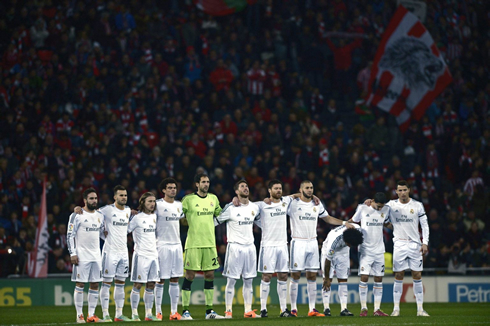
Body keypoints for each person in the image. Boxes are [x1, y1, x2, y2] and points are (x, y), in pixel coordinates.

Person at [288, 180, 354, 317]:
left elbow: (328, 218)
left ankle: (312, 309)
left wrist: (344, 222)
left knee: (312, 276)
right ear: (300, 190)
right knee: (295, 275)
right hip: (298, 242)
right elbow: (280, 200)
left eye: (311, 188)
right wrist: (295, 195)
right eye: (307, 188)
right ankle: (293, 309)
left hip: (312, 242)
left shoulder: (316, 204)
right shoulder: (292, 203)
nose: (310, 190)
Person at [368, 180, 430, 316]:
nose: (402, 193)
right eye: (400, 190)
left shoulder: (417, 205)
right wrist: (369, 203)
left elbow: (424, 225)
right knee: (398, 274)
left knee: (417, 274)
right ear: (396, 192)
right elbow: (378, 211)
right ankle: (396, 309)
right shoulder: (390, 205)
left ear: (409, 190)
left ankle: (420, 309)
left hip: (415, 244)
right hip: (400, 244)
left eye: (404, 190)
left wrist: (425, 242)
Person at [74, 185, 133, 322]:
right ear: (115, 197)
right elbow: (91, 212)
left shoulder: (128, 210)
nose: (123, 197)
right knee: (106, 283)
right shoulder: (106, 210)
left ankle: (119, 314)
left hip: (124, 252)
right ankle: (105, 313)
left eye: (125, 195)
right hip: (109, 251)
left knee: (121, 283)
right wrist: (78, 209)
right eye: (121, 195)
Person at [180, 173, 224, 320]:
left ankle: (209, 311)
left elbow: (220, 214)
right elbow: (179, 217)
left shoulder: (213, 198)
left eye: (208, 182)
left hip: (210, 243)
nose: (206, 184)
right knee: (190, 275)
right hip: (193, 243)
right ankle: (185, 311)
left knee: (210, 275)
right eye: (203, 182)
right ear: (196, 184)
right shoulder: (188, 200)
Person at [215, 180, 261, 318]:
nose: (245, 188)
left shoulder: (255, 207)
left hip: (250, 247)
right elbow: (215, 222)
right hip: (235, 247)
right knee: (231, 280)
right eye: (242, 187)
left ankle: (248, 311)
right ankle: (228, 311)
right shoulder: (230, 208)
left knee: (249, 280)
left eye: (246, 186)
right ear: (236, 191)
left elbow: (261, 221)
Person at [255, 179, 296, 318]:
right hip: (268, 246)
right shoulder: (261, 205)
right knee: (266, 276)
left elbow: (296, 195)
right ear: (269, 190)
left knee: (283, 276)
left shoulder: (285, 201)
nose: (278, 190)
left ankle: (283, 309)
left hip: (283, 245)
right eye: (276, 188)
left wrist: (312, 196)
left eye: (280, 188)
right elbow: (247, 207)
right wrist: (235, 200)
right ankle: (263, 309)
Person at [348, 192, 390, 317]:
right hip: (366, 249)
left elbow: (387, 223)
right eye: (377, 206)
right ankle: (363, 308)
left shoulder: (386, 209)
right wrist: (343, 225)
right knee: (364, 278)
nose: (379, 209)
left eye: (381, 207)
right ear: (372, 201)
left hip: (379, 249)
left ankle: (377, 309)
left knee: (378, 279)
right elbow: (353, 221)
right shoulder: (362, 208)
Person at [67, 188, 104, 323]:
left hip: (96, 256)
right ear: (85, 200)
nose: (94, 201)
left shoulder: (100, 215)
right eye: (91, 198)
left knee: (95, 284)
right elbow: (69, 235)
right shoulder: (77, 215)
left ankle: (91, 315)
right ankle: (79, 315)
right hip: (82, 255)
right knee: (80, 284)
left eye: (95, 198)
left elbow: (101, 233)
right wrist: (73, 253)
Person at [154, 178, 184, 320]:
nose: (173, 190)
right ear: (164, 190)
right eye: (170, 187)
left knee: (175, 278)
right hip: (162, 245)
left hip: (177, 245)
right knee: (160, 279)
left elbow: (183, 220)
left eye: (174, 187)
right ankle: (158, 312)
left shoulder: (179, 205)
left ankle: (173, 312)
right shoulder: (157, 205)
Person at [128, 192, 159, 321]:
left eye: (153, 202)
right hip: (141, 255)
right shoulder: (137, 218)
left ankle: (148, 314)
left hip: (154, 255)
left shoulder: (155, 217)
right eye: (149, 202)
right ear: (143, 203)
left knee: (151, 284)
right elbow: (126, 230)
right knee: (138, 284)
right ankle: (134, 313)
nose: (152, 204)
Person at [321, 225, 364, 317]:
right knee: (327, 280)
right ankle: (326, 308)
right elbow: (327, 261)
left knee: (343, 280)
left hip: (343, 253)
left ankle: (344, 309)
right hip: (328, 253)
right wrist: (327, 278)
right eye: (349, 243)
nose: (350, 245)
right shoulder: (334, 240)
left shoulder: (357, 230)